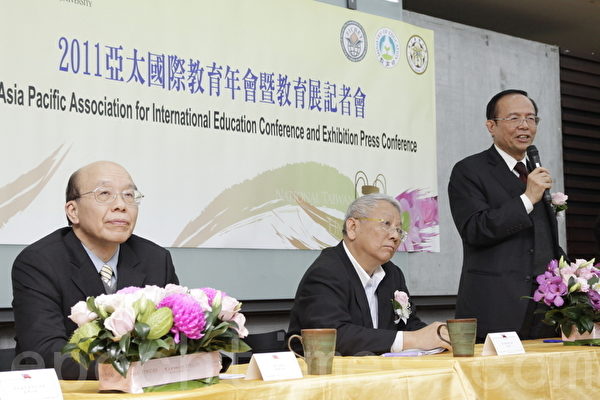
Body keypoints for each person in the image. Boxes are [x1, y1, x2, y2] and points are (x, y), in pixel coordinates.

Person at [11, 161, 179, 379]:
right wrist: (126, 371)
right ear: (73, 211)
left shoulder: (156, 259)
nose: (121, 205)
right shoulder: (39, 262)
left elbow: (176, 337)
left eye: (129, 195)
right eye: (104, 194)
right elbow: (44, 351)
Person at [448, 89, 564, 340]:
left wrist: (574, 278)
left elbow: (542, 239)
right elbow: (475, 229)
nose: (525, 125)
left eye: (531, 118)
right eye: (514, 118)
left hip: (546, 309)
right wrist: (527, 199)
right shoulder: (469, 170)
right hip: (496, 306)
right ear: (491, 126)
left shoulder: (533, 172)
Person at [288, 194, 451, 356]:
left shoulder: (393, 274)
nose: (395, 236)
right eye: (386, 224)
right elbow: (332, 337)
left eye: (399, 229)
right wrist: (412, 339)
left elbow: (408, 325)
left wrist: (439, 336)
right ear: (353, 227)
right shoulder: (325, 272)